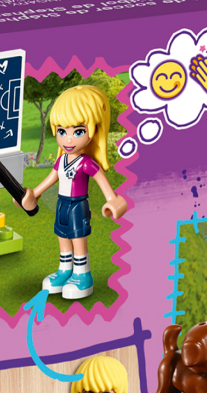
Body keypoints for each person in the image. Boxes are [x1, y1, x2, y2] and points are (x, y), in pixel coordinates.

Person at [19, 84, 127, 299]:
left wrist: (111, 199)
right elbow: (51, 179)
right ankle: (64, 270)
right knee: (62, 236)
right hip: (62, 204)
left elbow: (101, 180)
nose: (68, 139)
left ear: (93, 131)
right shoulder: (61, 160)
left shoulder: (86, 163)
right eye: (62, 131)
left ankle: (82, 274)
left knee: (78, 238)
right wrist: (34, 194)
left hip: (78, 205)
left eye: (78, 132)